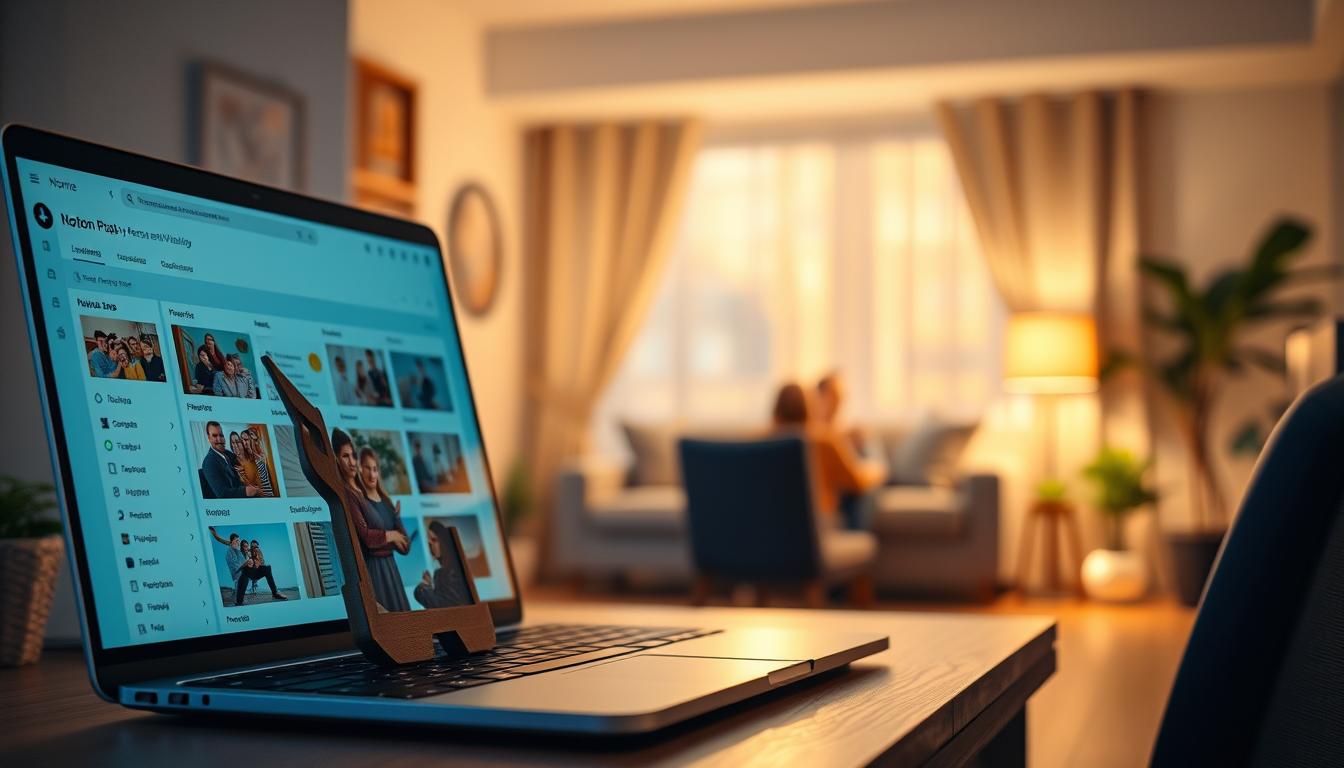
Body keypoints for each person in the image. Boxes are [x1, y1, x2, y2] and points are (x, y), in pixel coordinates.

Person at [770, 382, 884, 524]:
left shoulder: (759, 445)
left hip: (772, 523)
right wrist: (878, 469)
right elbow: (857, 481)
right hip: (819, 526)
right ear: (809, 408)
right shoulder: (823, 442)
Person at [333, 429, 410, 611]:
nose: (351, 462)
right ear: (336, 459)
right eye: (345, 456)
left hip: (391, 570)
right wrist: (392, 536)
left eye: (353, 456)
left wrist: (395, 519)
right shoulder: (349, 495)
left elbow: (404, 545)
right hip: (375, 572)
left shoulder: (365, 491)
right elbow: (367, 537)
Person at [208, 527, 287, 605]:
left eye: (248, 547)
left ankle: (275, 593)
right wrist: (215, 535)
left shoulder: (250, 551)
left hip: (253, 572)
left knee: (267, 568)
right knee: (244, 577)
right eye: (244, 546)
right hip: (244, 573)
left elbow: (260, 560)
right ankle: (239, 600)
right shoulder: (237, 547)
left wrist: (256, 559)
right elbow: (225, 541)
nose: (247, 548)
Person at [414, 521, 472, 608]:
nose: (429, 544)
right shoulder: (446, 572)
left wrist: (423, 587)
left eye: (434, 540)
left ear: (443, 541)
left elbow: (444, 608)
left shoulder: (447, 573)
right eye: (429, 542)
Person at [200, 421, 259, 498]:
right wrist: (246, 491)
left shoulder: (227, 454)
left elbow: (237, 459)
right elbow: (222, 494)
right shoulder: (208, 462)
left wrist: (240, 467)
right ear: (209, 438)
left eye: (221, 435)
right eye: (214, 436)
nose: (219, 439)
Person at [246, 428, 275, 498]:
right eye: (250, 435)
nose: (251, 436)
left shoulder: (258, 443)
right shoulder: (253, 446)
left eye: (251, 434)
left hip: (269, 493)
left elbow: (262, 454)